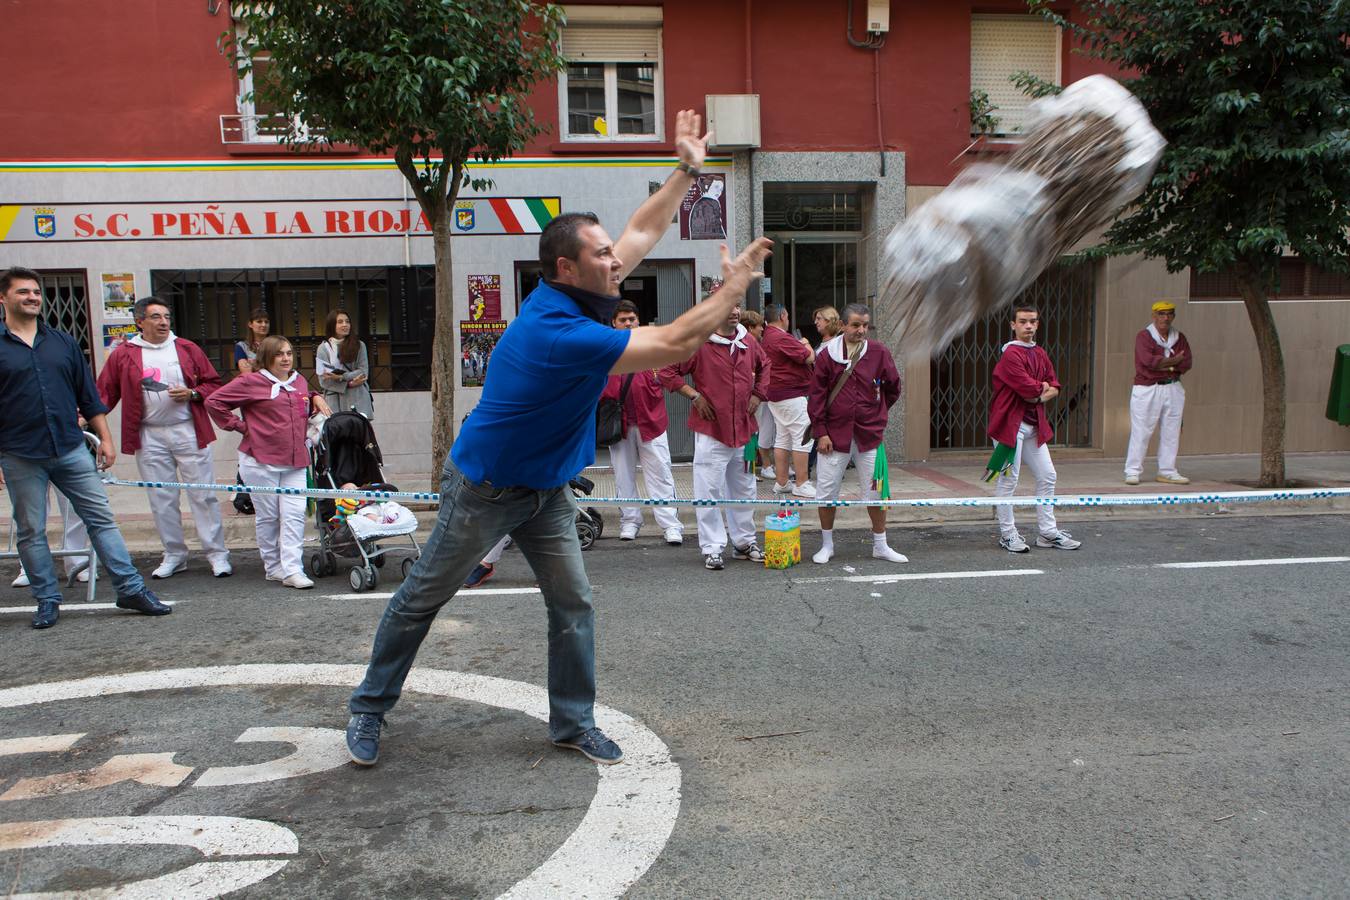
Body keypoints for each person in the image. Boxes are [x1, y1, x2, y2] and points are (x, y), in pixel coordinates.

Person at [344, 107, 773, 768]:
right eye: (602, 256)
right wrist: (732, 289)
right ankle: (369, 708)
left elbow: (640, 228)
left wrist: (687, 169)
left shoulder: (583, 287)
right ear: (566, 270)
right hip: (485, 489)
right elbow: (673, 341)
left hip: (544, 491)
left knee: (573, 603)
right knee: (421, 598)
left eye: (609, 251)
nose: (616, 260)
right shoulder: (558, 333)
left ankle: (571, 723)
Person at [0, 266, 172, 629]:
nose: (32, 297)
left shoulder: (61, 342)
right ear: (4, 298)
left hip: (70, 449)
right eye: (23, 292)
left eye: (35, 291)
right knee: (31, 530)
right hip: (19, 454)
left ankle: (130, 589)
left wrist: (105, 439)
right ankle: (47, 599)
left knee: (101, 520)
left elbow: (89, 397)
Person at [97, 297, 231, 579]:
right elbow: (105, 391)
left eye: (167, 316)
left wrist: (192, 393)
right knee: (161, 497)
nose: (163, 322)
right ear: (139, 321)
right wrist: (85, 416)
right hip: (149, 434)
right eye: (156, 317)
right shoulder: (125, 353)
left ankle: (217, 554)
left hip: (188, 429)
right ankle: (174, 554)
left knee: (203, 493)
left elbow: (213, 384)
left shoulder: (186, 347)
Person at [206, 335, 333, 589]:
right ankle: (273, 567)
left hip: (296, 460)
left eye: (288, 353)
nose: (286, 358)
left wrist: (315, 395)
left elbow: (303, 396)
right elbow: (214, 402)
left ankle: (293, 569)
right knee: (269, 516)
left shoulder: (297, 379)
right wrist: (241, 427)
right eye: (279, 354)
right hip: (260, 461)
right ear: (266, 358)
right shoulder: (251, 381)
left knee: (295, 515)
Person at [659, 297, 769, 570]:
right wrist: (694, 395)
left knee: (745, 489)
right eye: (725, 307)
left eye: (735, 306)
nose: (733, 312)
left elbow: (766, 366)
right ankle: (712, 546)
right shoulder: (698, 343)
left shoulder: (748, 341)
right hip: (711, 431)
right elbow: (666, 371)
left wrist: (758, 394)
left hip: (744, 431)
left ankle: (744, 542)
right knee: (708, 491)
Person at [806, 304, 907, 565]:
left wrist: (877, 414)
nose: (861, 330)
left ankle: (880, 545)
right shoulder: (827, 355)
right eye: (855, 325)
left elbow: (893, 387)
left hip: (868, 435)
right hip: (833, 436)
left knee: (877, 491)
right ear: (842, 325)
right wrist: (821, 432)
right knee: (827, 492)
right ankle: (827, 545)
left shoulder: (878, 352)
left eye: (865, 325)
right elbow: (816, 396)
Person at [988, 306, 1081, 553]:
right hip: (1009, 427)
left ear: (1038, 324)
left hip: (1034, 424)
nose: (1028, 326)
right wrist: (1042, 389)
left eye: (1032, 322)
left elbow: (1055, 385)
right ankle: (1008, 535)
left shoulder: (1039, 352)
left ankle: (1048, 533)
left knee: (1048, 476)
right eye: (1023, 322)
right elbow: (1028, 388)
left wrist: (1041, 395)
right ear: (1013, 325)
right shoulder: (1011, 355)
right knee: (1009, 481)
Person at [601, 299, 684, 545]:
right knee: (622, 476)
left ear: (639, 321)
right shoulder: (605, 351)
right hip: (619, 425)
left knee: (660, 475)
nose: (628, 324)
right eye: (622, 320)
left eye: (631, 319)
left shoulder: (655, 347)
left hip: (652, 421)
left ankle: (670, 525)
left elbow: (671, 374)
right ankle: (630, 521)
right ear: (613, 324)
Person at [1125, 301, 1193, 485]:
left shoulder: (1180, 338)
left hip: (1173, 387)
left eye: (1169, 314)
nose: (1165, 317)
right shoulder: (1144, 336)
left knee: (1172, 430)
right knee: (1141, 430)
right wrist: (1173, 362)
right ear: (1154, 316)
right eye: (1161, 314)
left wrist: (1164, 364)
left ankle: (1167, 470)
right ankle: (1132, 471)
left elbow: (1186, 363)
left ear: (1173, 316)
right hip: (1148, 388)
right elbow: (1148, 361)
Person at [760, 303, 817, 498]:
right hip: (791, 394)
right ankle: (801, 483)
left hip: (776, 396)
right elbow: (809, 357)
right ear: (783, 315)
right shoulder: (781, 337)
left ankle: (782, 482)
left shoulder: (766, 337)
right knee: (803, 439)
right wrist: (806, 343)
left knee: (783, 439)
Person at [740, 309, 778, 479]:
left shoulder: (754, 345)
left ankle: (751, 468)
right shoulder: (745, 345)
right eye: (759, 326)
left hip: (755, 397)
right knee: (750, 433)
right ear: (749, 328)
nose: (763, 329)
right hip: (747, 399)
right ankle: (749, 470)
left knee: (753, 433)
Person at [316, 309, 374, 419]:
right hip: (334, 402)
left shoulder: (359, 345)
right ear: (332, 325)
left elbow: (363, 371)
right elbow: (323, 380)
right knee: (338, 433)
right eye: (340, 322)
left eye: (347, 322)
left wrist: (342, 377)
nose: (345, 325)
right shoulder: (323, 348)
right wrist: (348, 384)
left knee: (359, 433)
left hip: (357, 399)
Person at [233, 308, 270, 375]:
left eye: (266, 322)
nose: (264, 325)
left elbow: (281, 368)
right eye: (259, 321)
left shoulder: (276, 344)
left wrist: (254, 364)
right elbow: (246, 371)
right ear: (250, 324)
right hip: (253, 383)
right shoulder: (242, 346)